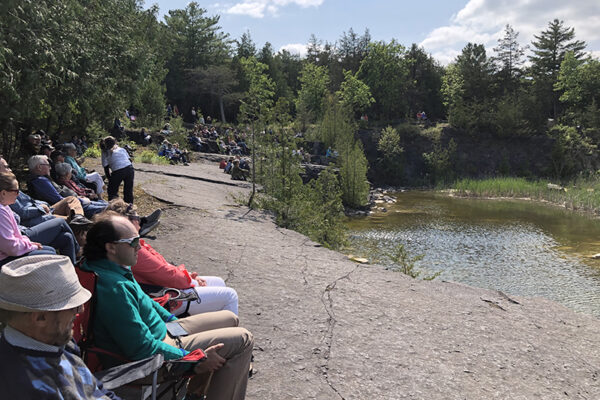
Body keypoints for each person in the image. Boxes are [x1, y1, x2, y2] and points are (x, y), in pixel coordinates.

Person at [82, 213, 253, 400]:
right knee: (243, 340)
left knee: (230, 318)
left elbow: (147, 304)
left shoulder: (111, 269)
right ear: (111, 247)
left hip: (164, 333)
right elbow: (142, 350)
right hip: (150, 356)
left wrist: (175, 323)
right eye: (133, 242)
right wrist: (192, 359)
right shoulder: (113, 289)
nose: (139, 246)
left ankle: (194, 393)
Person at [0, 255, 120, 399]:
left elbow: (95, 387)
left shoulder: (55, 339)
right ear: (40, 317)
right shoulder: (28, 387)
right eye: (72, 306)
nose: (81, 309)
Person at [105, 199, 239, 316]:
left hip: (163, 287)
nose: (140, 221)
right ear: (125, 223)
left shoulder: (135, 243)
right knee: (230, 296)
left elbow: (164, 267)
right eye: (136, 218)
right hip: (164, 297)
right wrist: (192, 282)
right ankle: (233, 340)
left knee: (218, 282)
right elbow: (165, 275)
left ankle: (213, 327)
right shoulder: (132, 249)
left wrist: (189, 275)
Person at [0, 172, 57, 266]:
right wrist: (30, 246)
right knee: (51, 255)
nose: (18, 195)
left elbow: (14, 237)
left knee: (52, 249)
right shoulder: (1, 212)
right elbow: (11, 248)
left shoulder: (5, 206)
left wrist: (28, 243)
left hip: (11, 252)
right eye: (16, 191)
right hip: (4, 260)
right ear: (3, 193)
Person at [27, 155, 106, 218]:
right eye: (47, 165)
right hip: (75, 208)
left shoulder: (42, 179)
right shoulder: (40, 181)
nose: (50, 168)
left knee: (106, 204)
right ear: (39, 167)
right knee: (112, 208)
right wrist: (82, 200)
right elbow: (58, 200)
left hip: (76, 202)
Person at [100, 136, 134, 204]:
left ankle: (114, 206)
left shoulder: (105, 152)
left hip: (118, 171)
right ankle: (129, 208)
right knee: (128, 190)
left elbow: (106, 168)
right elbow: (130, 160)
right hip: (129, 169)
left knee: (112, 191)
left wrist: (110, 179)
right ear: (115, 142)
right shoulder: (121, 149)